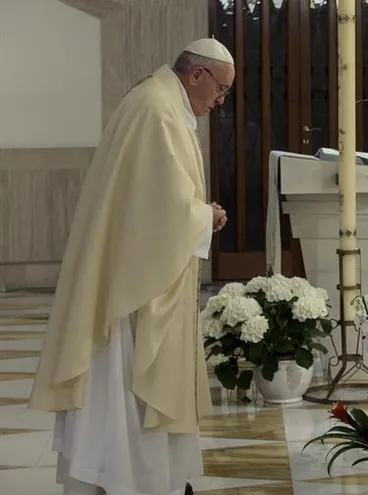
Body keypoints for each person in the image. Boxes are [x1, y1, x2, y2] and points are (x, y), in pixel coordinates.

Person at [28, 38, 235, 495]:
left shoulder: (160, 101)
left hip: (134, 272)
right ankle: (131, 480)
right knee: (129, 389)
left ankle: (143, 478)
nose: (219, 103)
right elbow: (158, 209)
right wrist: (205, 216)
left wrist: (195, 214)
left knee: (128, 394)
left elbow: (152, 197)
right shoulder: (156, 110)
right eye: (220, 91)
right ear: (196, 75)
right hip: (133, 291)